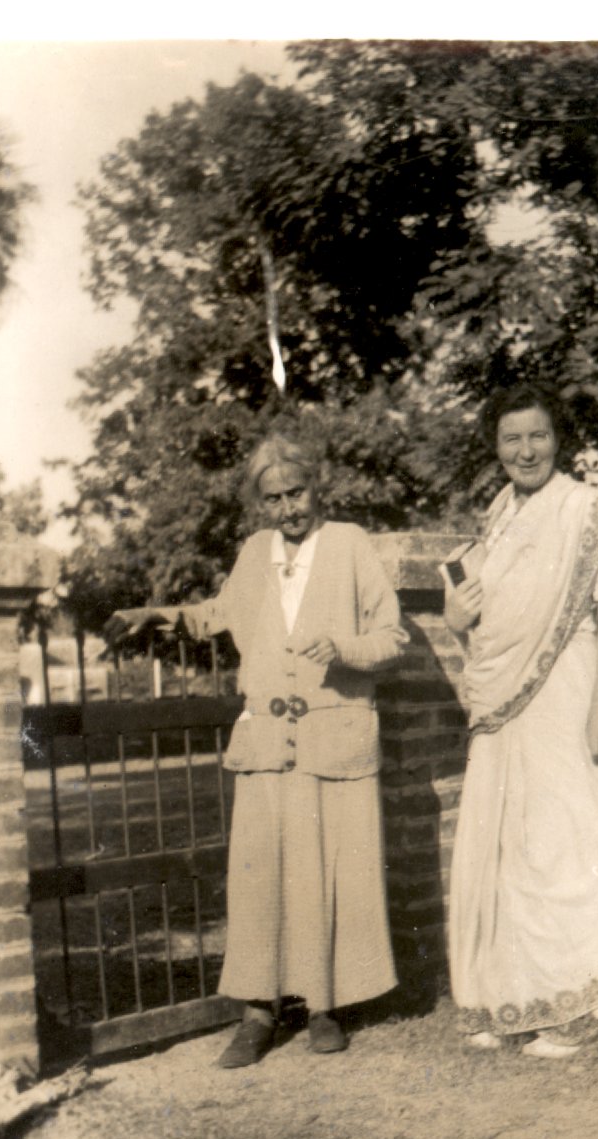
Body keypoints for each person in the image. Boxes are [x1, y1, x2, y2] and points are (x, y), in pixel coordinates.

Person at [104, 434, 408, 1067]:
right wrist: (155, 614)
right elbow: (219, 612)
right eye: (273, 499)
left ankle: (323, 1007)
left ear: (317, 485)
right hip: (267, 741)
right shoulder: (254, 552)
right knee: (260, 878)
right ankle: (257, 1012)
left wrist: (345, 647)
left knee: (324, 874)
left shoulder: (350, 545)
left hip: (331, 740)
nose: (287, 508)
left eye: (296, 493)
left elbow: (394, 636)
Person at [442, 382, 598, 1060]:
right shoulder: (497, 517)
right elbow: (484, 618)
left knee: (568, 840)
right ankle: (509, 1004)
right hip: (504, 709)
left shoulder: (592, 512)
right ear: (496, 448)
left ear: (558, 440)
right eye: (511, 439)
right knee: (506, 845)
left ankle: (579, 1006)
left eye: (536, 435)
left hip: (569, 693)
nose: (525, 450)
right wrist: (456, 618)